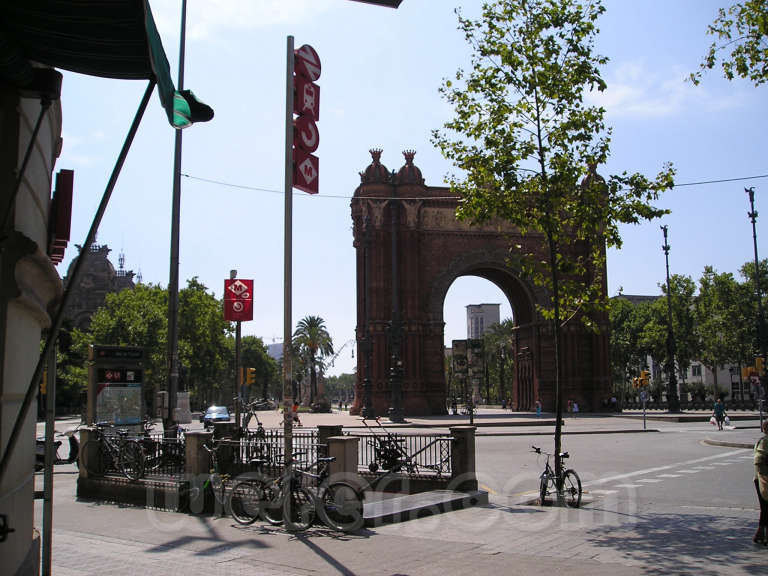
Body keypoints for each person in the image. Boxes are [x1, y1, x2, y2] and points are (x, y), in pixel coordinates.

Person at [753, 420, 768, 545]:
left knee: (765, 507)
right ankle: (762, 533)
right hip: (763, 479)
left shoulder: (762, 440)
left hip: (760, 478)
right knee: (765, 507)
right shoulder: (764, 441)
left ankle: (760, 533)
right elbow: (758, 459)